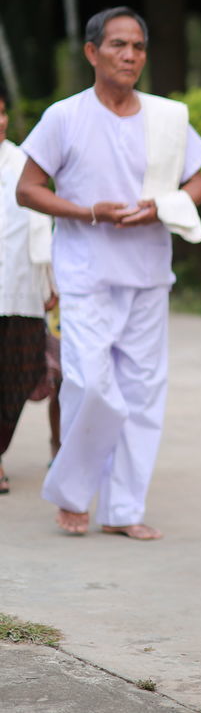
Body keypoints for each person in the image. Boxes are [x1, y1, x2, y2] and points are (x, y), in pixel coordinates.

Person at [16, 7, 201, 538]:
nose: (130, 56)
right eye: (118, 45)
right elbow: (27, 189)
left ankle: (124, 510)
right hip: (85, 272)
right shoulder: (66, 116)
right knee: (90, 385)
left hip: (148, 272)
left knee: (144, 391)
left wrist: (163, 205)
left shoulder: (167, 117)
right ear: (91, 52)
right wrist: (88, 212)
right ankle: (73, 492)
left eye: (138, 47)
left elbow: (198, 185)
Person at [1, 83, 57, 494]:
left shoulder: (23, 162)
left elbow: (45, 227)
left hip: (21, 292)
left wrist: (50, 283)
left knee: (19, 378)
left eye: (3, 112)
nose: (0, 121)